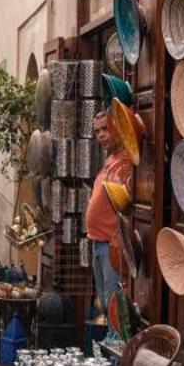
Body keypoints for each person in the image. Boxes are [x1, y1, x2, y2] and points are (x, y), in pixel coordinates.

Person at [83, 110, 138, 317]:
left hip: (112, 245)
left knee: (115, 304)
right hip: (98, 242)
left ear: (118, 128)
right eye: (97, 131)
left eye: (106, 129)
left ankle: (117, 345)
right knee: (107, 303)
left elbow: (127, 206)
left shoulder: (125, 162)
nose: (101, 136)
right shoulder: (111, 160)